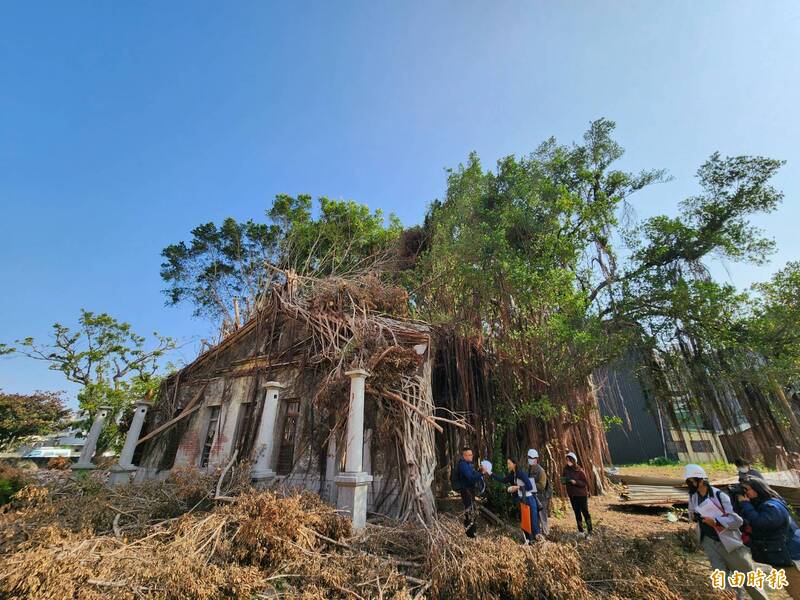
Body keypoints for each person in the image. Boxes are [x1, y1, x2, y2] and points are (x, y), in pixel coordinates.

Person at [685, 463, 768, 600]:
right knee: (723, 584)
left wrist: (716, 521)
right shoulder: (693, 497)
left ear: (701, 480)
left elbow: (736, 521)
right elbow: (691, 514)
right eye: (688, 481)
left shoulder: (719, 495)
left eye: (692, 481)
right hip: (709, 542)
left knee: (750, 581)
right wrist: (694, 516)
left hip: (729, 543)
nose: (690, 484)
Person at [736, 476, 800, 599]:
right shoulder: (768, 503)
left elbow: (761, 523)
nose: (745, 493)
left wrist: (745, 504)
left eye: (747, 489)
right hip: (785, 553)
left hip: (788, 555)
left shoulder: (771, 506)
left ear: (758, 489)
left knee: (796, 591)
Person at [490, 456, 539, 543]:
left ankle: (537, 541)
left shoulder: (520, 473)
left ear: (514, 464)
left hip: (529, 499)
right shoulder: (513, 474)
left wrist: (517, 487)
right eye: (507, 463)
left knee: (533, 522)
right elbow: (503, 480)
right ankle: (528, 540)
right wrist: (490, 473)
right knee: (525, 522)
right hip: (522, 500)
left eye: (509, 463)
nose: (508, 465)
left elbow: (530, 487)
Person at [456, 446, 484, 538]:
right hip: (466, 491)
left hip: (470, 491)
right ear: (464, 456)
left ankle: (471, 533)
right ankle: (470, 534)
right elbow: (471, 478)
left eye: (471, 454)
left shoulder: (468, 464)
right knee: (469, 512)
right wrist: (481, 473)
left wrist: (479, 471)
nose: (471, 456)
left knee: (472, 511)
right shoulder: (463, 465)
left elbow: (474, 475)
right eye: (469, 455)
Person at [562, 451, 592, 538]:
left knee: (585, 512)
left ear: (574, 460)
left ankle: (590, 530)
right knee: (577, 513)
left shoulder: (580, 470)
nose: (568, 462)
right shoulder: (566, 469)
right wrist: (565, 480)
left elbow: (584, 483)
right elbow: (563, 480)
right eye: (567, 460)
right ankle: (581, 531)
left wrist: (576, 482)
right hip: (572, 495)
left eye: (569, 460)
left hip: (581, 495)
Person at [527, 448, 552, 535]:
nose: (529, 459)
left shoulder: (541, 471)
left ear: (536, 459)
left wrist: (530, 484)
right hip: (534, 496)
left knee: (543, 518)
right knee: (535, 518)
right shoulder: (530, 469)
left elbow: (542, 485)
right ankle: (538, 536)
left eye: (531, 458)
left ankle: (546, 534)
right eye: (529, 457)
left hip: (542, 498)